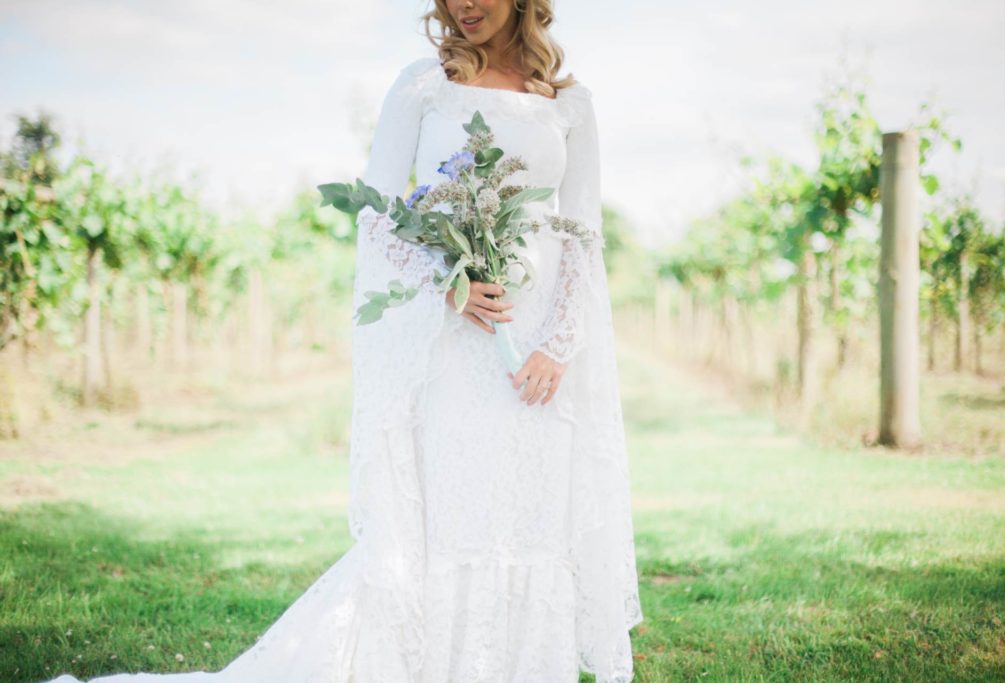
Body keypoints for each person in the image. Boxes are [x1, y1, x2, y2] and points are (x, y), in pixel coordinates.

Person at [42, 1, 642, 681]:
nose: (462, 6)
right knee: (453, 520)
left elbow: (582, 235)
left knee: (531, 522)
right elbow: (378, 216)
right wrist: (451, 285)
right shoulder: (422, 85)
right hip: (451, 344)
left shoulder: (570, 105)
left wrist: (561, 344)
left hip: (538, 360)